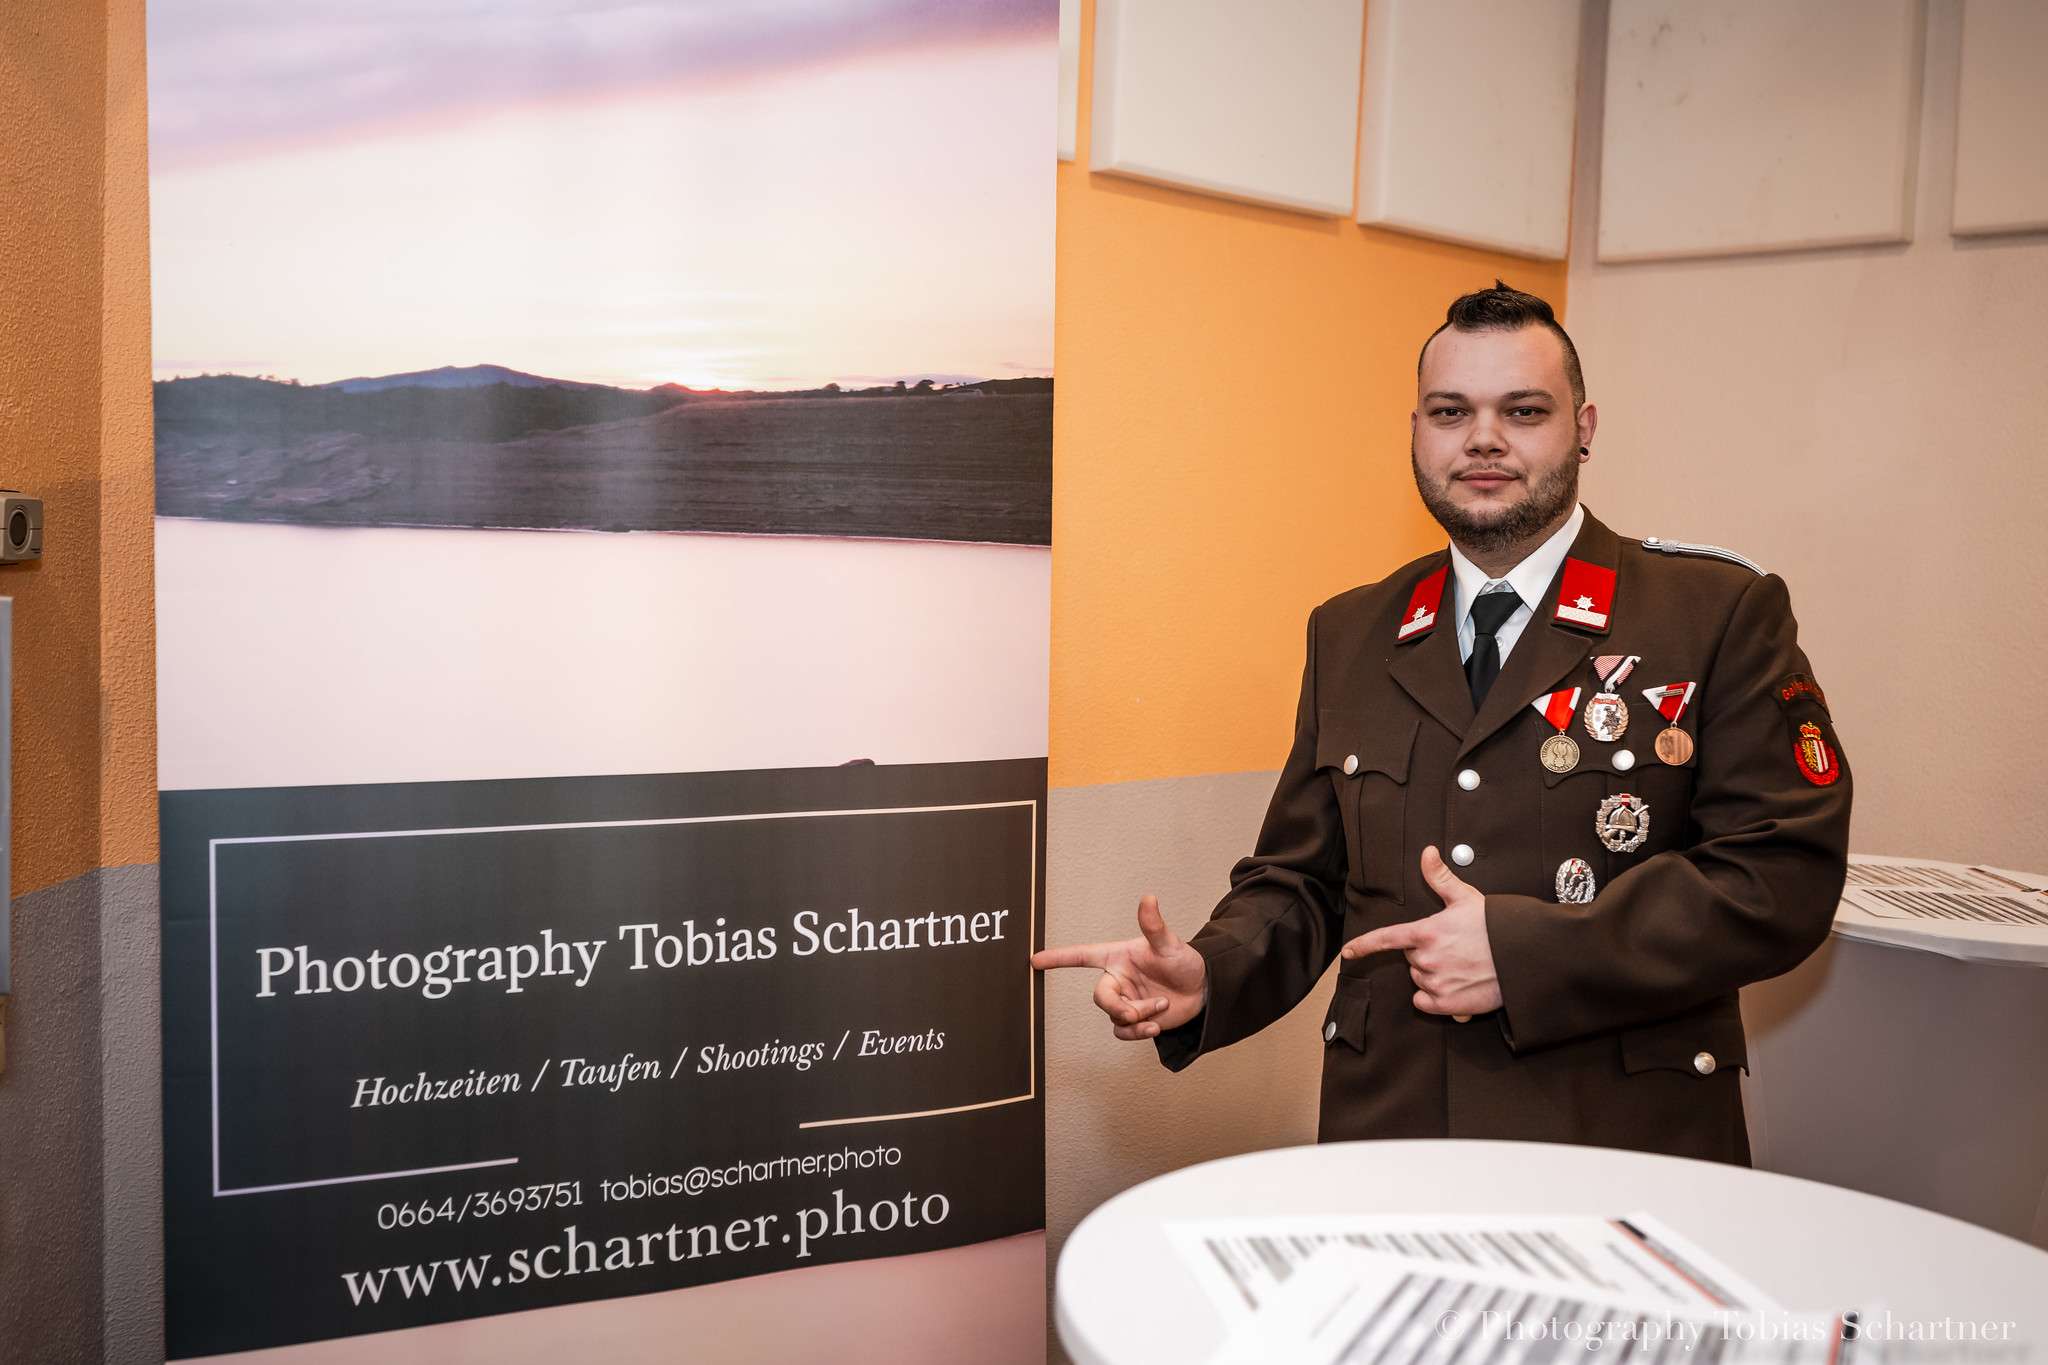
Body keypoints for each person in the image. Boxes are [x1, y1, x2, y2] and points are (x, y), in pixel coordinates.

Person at [1033, 283, 1851, 1163]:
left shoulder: (1712, 614)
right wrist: (1212, 970)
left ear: (1584, 427)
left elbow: (1778, 874)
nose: (1483, 438)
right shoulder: (1352, 630)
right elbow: (1304, 879)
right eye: (1451, 411)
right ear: (1416, 431)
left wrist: (1526, 954)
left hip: (1617, 1138)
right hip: (1393, 1132)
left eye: (1524, 410)